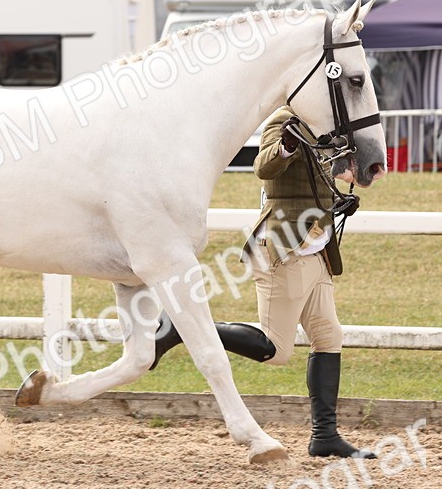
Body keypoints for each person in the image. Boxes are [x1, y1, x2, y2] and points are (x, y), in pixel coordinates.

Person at [150, 105, 375, 459]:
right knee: (275, 350)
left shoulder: (325, 129)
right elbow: (263, 168)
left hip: (316, 250)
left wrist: (342, 195)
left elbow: (322, 178)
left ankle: (325, 436)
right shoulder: (283, 121)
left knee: (329, 336)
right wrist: (285, 145)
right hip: (283, 248)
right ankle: (182, 326)